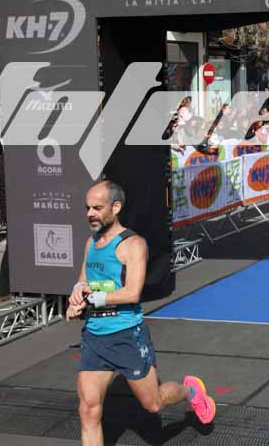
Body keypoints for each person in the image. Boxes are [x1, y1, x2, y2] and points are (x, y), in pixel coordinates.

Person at [67, 181, 215, 445]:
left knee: (154, 404)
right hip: (94, 338)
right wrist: (77, 297)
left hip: (126, 336)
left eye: (97, 208)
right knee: (88, 410)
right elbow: (83, 280)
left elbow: (132, 293)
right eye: (87, 208)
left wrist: (95, 297)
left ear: (116, 207)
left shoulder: (133, 244)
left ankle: (191, 391)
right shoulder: (91, 243)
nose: (90, 213)